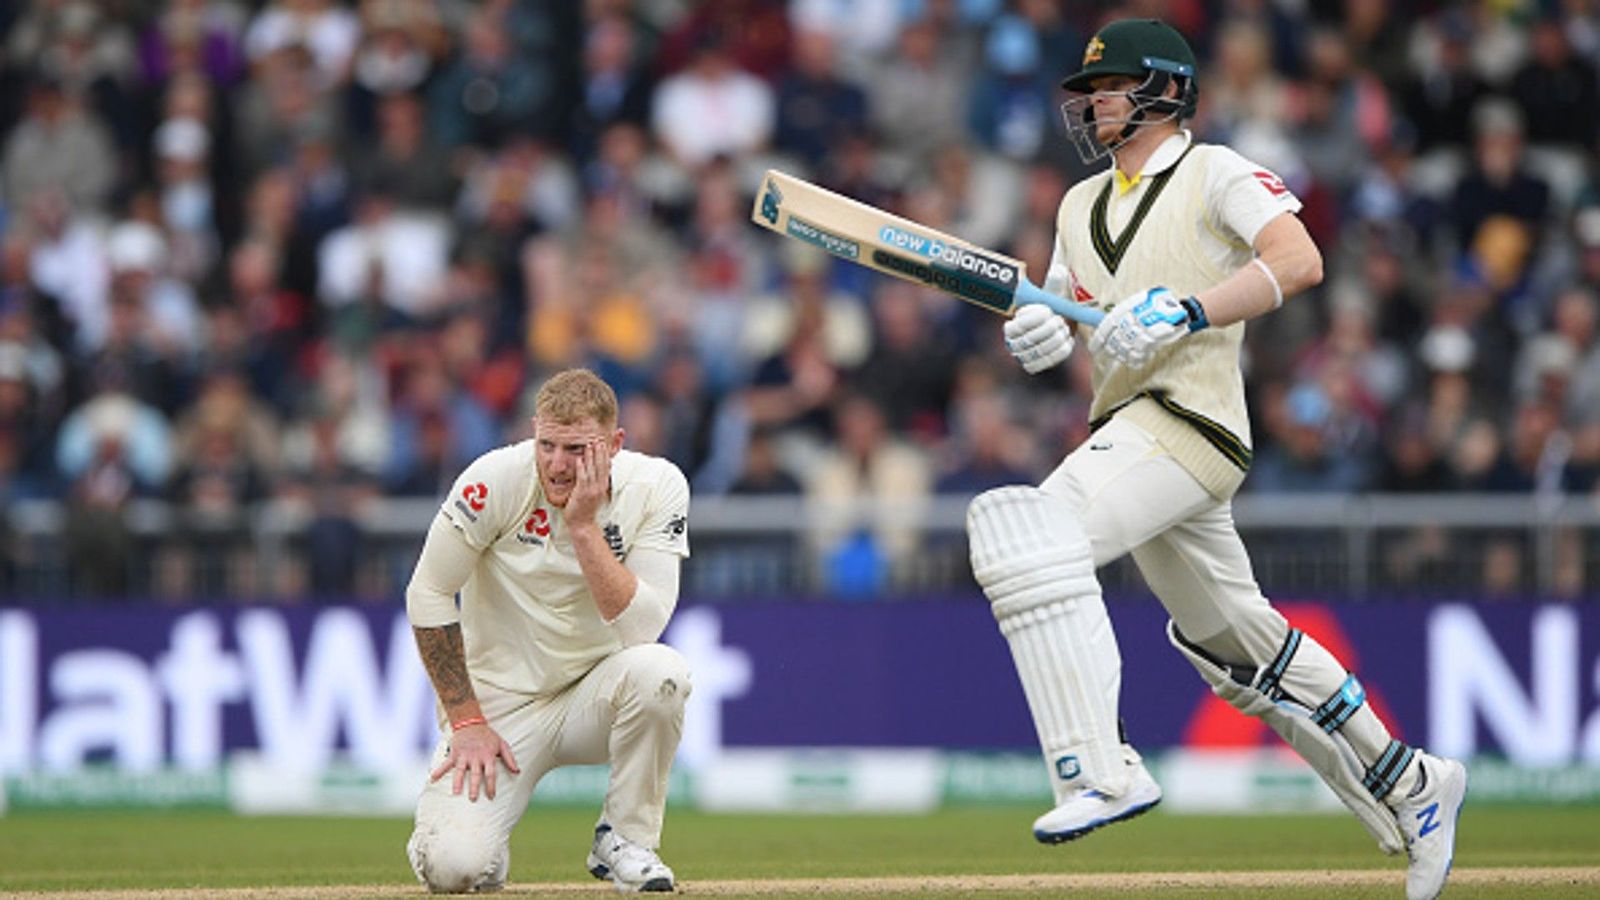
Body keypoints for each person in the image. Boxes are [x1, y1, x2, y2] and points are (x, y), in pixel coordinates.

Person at [968, 19, 1465, 900]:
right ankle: (1413, 780)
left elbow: (1299, 259)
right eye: (1086, 92)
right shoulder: (1078, 206)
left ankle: (1101, 770)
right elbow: (1076, 312)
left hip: (1190, 423)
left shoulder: (1216, 171)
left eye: (1107, 87)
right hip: (1127, 429)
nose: (1090, 104)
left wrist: (1189, 311)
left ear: (1162, 88)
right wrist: (1041, 332)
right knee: (1239, 648)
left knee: (1027, 535)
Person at [404, 368, 692, 893]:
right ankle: (470, 839)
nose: (558, 465)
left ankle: (626, 840)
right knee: (456, 870)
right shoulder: (494, 479)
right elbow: (427, 593)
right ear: (533, 430)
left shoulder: (658, 485)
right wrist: (466, 720)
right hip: (499, 709)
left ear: (615, 443)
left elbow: (642, 627)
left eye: (577, 449)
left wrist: (583, 527)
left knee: (663, 673)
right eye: (547, 445)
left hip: (595, 692)